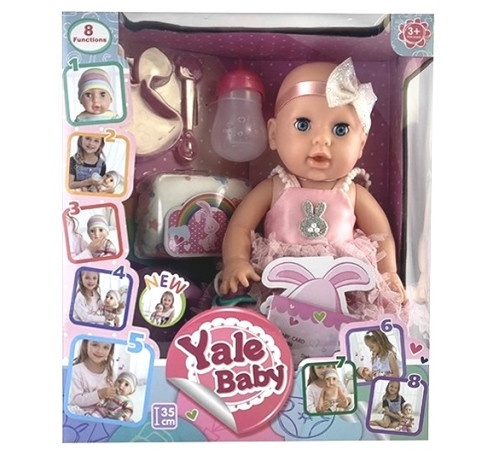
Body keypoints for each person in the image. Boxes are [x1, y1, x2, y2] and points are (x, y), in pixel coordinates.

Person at [219, 57, 407, 323]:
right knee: (270, 321)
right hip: (280, 279)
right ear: (273, 134)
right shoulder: (273, 187)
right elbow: (240, 227)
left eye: (340, 129)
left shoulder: (353, 192)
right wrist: (236, 261)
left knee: (350, 322)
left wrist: (389, 273)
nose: (322, 139)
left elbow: (382, 235)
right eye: (303, 125)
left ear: (362, 144)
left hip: (343, 283)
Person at [67, 340, 116, 415]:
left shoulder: (110, 372)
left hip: (103, 415)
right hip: (82, 414)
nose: (100, 351)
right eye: (95, 345)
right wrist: (99, 394)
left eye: (106, 347)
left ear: (110, 350)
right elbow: (74, 400)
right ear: (86, 345)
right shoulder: (76, 371)